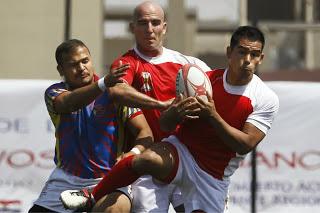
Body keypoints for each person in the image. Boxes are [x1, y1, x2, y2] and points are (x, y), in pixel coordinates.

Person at [60, 25, 280, 212]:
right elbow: (166, 124)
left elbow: (244, 145)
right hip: (182, 153)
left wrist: (213, 116)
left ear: (261, 58)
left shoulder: (265, 98)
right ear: (229, 52)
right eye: (241, 52)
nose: (247, 60)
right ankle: (91, 195)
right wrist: (176, 112)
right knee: (145, 159)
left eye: (254, 55)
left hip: (213, 175)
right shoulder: (203, 80)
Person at [60, 1, 212, 212]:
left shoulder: (189, 65)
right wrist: (161, 104)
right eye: (143, 23)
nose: (149, 29)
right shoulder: (126, 63)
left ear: (164, 27)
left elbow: (214, 98)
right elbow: (116, 90)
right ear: (133, 28)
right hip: (147, 168)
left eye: (155, 23)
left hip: (186, 161)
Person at [28, 39, 153, 213]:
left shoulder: (116, 93)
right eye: (73, 64)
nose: (81, 68)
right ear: (60, 70)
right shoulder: (54, 93)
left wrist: (133, 153)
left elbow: (145, 133)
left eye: (85, 61)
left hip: (110, 179)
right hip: (66, 180)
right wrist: (103, 84)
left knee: (112, 210)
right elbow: (69, 103)